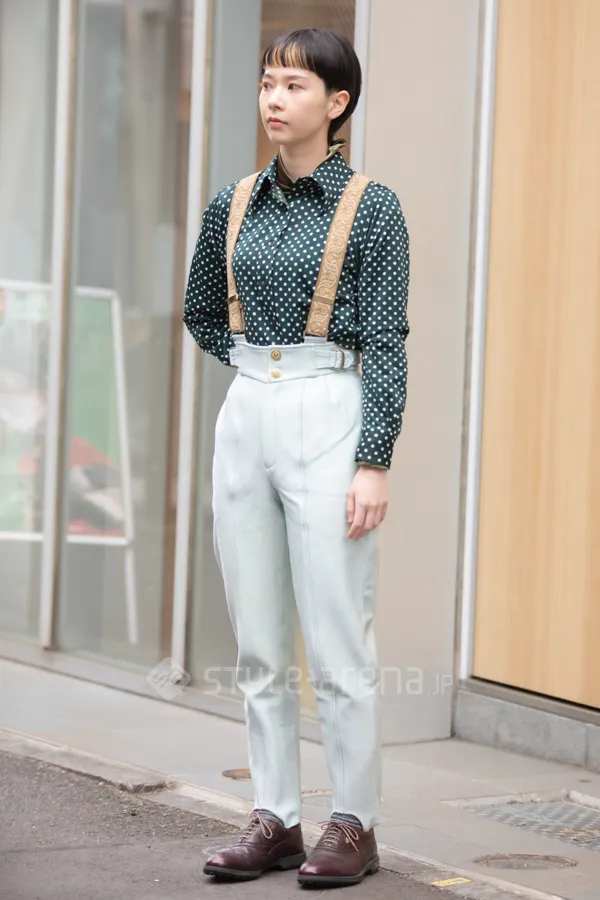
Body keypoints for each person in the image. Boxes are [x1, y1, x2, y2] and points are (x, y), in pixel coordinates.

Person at [183, 26, 409, 889]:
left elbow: (385, 339)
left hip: (331, 409)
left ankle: (355, 822)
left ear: (337, 103)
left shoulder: (372, 207)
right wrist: (259, 368)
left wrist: (373, 458)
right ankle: (275, 817)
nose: (275, 98)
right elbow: (202, 310)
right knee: (257, 640)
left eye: (295, 85)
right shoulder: (232, 202)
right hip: (249, 408)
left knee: (339, 637)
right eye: (268, 82)